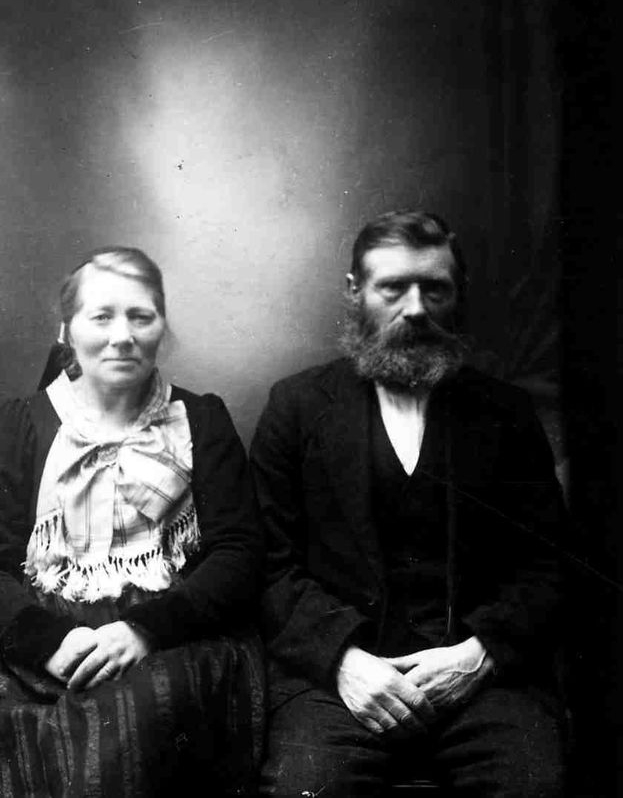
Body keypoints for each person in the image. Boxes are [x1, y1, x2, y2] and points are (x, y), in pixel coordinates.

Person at [250, 210, 567, 797]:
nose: (416, 308)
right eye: (393, 288)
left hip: (481, 680)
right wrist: (344, 662)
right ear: (356, 292)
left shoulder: (506, 412)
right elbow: (269, 564)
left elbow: (547, 565)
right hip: (339, 682)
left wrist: (478, 656)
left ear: (458, 293)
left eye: (434, 289)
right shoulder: (296, 407)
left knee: (531, 786)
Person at [0, 247, 264, 797]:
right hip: (44, 636)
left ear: (162, 327)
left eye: (141, 317)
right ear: (66, 331)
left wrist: (144, 630)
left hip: (174, 637)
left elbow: (239, 554)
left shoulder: (201, 420)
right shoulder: (21, 424)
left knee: (138, 722)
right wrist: (47, 641)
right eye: (101, 317)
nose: (122, 336)